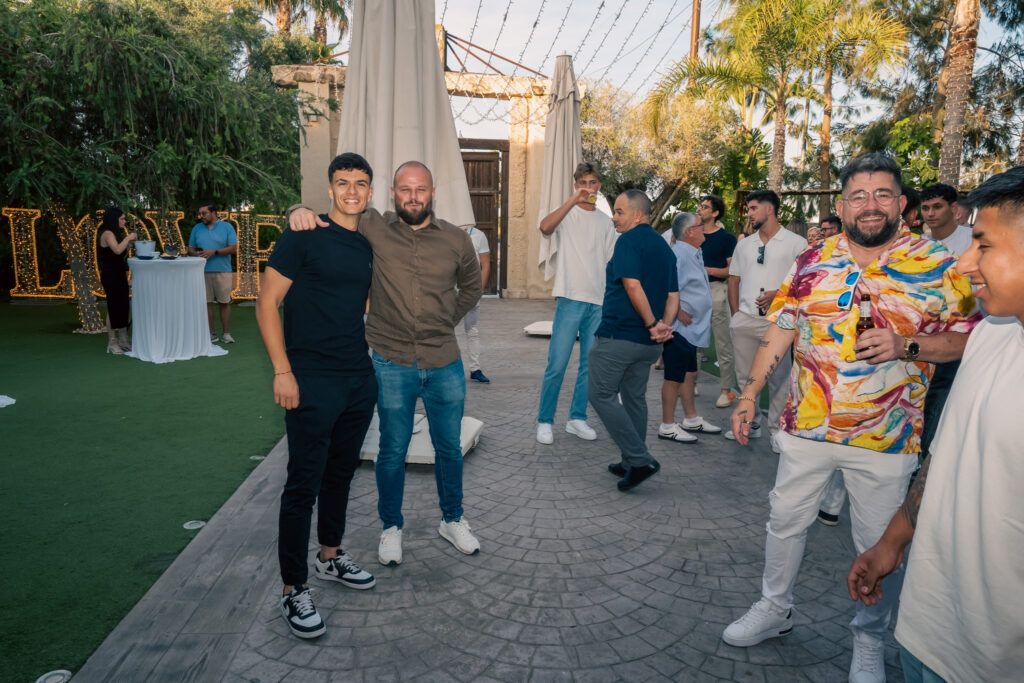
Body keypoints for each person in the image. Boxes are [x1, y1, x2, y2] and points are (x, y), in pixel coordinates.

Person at [721, 153, 980, 683]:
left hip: (886, 437)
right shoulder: (812, 259)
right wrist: (749, 394)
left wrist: (907, 345)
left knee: (876, 544)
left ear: (901, 204)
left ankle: (868, 637)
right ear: (841, 206)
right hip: (807, 427)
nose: (870, 205)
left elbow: (968, 340)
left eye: (882, 194)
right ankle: (774, 608)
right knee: (784, 522)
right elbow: (783, 328)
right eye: (858, 196)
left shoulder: (938, 264)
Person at [847, 166, 1024, 683]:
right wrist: (892, 542)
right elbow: (945, 459)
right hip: (927, 630)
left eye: (983, 245)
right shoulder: (992, 335)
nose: (965, 262)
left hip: (994, 660)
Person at [288, 161, 483, 567]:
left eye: (421, 189)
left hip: (444, 360)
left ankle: (452, 519)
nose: (413, 196)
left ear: (432, 193)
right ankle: (391, 526)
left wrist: (444, 320)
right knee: (392, 449)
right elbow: (333, 213)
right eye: (405, 189)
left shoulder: (455, 239)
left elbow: (472, 287)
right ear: (392, 193)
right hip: (391, 361)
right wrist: (296, 210)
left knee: (449, 448)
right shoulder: (373, 225)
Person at [256, 152, 379, 639]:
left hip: (357, 378)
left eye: (360, 183)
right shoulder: (302, 234)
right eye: (343, 182)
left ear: (370, 192)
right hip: (309, 379)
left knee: (340, 475)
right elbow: (267, 303)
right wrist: (282, 371)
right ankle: (293, 588)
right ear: (330, 189)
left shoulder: (366, 244)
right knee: (302, 485)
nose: (352, 191)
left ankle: (330, 556)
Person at [588, 190, 678, 491]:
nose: (614, 218)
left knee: (600, 395)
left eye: (619, 212)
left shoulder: (628, 241)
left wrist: (653, 324)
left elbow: (632, 285)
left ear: (638, 215)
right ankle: (631, 461)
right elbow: (673, 295)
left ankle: (640, 460)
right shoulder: (665, 248)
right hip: (648, 344)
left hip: (620, 336)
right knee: (634, 398)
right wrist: (663, 327)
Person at [535, 162, 618, 445]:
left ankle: (577, 418)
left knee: (589, 366)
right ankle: (545, 421)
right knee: (557, 364)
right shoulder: (566, 214)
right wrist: (573, 200)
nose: (588, 188)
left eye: (592, 183)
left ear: (599, 185)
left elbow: (610, 263)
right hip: (570, 297)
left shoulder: (606, 222)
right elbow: (545, 227)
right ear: (575, 185)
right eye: (583, 183)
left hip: (598, 301)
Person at [725, 190, 807, 446]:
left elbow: (804, 284)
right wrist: (736, 316)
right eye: (748, 209)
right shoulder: (744, 244)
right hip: (745, 320)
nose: (748, 214)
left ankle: (776, 431)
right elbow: (734, 280)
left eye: (753, 208)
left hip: (779, 323)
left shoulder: (796, 243)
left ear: (770, 209)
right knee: (744, 377)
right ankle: (751, 424)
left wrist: (778, 295)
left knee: (779, 380)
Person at [658, 212, 718, 444]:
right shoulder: (678, 254)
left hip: (691, 329)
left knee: (689, 374)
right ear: (690, 232)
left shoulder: (693, 252)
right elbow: (664, 286)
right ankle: (667, 425)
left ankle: (691, 419)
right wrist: (678, 311)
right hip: (679, 329)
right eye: (701, 225)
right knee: (673, 377)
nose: (705, 228)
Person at [696, 195, 738, 409]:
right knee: (694, 340)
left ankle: (725, 390)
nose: (700, 209)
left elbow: (731, 270)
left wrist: (707, 270)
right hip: (694, 292)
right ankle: (691, 383)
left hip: (716, 290)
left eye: (704, 207)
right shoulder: (692, 234)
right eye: (700, 205)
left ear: (715, 213)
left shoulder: (726, 239)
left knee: (722, 343)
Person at [188, 203, 238, 343]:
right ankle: (211, 334)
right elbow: (190, 248)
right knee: (206, 303)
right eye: (200, 214)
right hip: (201, 271)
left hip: (223, 271)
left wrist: (214, 252)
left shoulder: (227, 227)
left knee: (224, 302)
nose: (201, 216)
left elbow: (233, 248)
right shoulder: (197, 228)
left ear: (214, 212)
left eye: (204, 213)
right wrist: (195, 254)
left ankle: (226, 334)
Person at [96, 207, 136, 355]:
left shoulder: (116, 233)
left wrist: (130, 244)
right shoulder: (107, 233)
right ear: (114, 219)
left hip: (119, 273)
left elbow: (121, 252)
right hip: (110, 274)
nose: (124, 221)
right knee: (113, 307)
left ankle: (123, 340)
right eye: (122, 219)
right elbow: (117, 250)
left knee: (123, 306)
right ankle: (112, 343)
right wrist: (128, 238)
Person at [464, 226, 491, 383]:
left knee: (472, 330)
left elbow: (485, 264)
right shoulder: (444, 230)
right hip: (448, 291)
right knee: (443, 331)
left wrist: (479, 290)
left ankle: (475, 369)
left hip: (470, 290)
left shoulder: (479, 235)